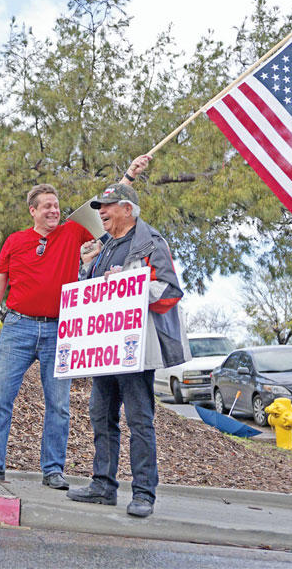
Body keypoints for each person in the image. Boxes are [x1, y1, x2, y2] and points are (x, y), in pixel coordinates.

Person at [0, 156, 150, 489]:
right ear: (32, 212)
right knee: (0, 397)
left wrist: (129, 176)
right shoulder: (15, 241)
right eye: (47, 206)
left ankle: (53, 469)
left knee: (59, 404)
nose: (54, 210)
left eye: (56, 205)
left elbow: (111, 208)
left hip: (58, 330)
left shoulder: (73, 232)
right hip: (18, 327)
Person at [66, 182, 188, 518]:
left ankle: (144, 494)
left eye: (108, 207)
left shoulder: (151, 243)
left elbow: (169, 291)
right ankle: (103, 486)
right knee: (101, 417)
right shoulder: (103, 248)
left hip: (135, 351)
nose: (101, 213)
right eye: (99, 208)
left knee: (139, 420)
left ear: (128, 209)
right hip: (105, 351)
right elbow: (89, 293)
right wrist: (85, 270)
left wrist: (130, 287)